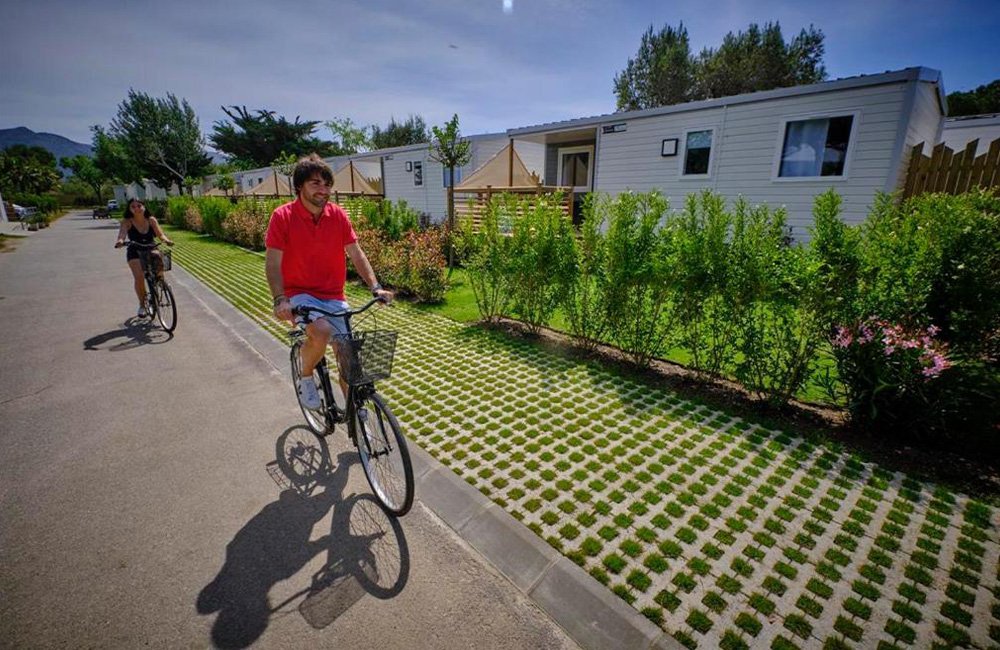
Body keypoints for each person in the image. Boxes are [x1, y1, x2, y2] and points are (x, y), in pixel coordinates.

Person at [265, 154, 392, 410]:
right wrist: (280, 299)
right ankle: (306, 375)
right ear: (300, 186)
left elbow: (356, 253)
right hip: (299, 293)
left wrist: (375, 286)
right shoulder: (282, 216)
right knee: (321, 332)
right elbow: (273, 263)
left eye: (327, 185)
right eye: (315, 184)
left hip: (334, 295)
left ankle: (356, 416)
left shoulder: (338, 215)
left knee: (348, 357)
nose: (323, 190)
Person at [114, 198, 174, 318]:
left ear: (144, 207)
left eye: (139, 206)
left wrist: (166, 240)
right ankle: (142, 305)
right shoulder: (127, 221)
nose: (137, 208)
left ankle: (161, 282)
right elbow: (122, 234)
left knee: (159, 258)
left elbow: (160, 234)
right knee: (139, 276)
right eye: (133, 207)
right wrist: (120, 241)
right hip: (134, 250)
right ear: (129, 209)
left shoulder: (151, 220)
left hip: (150, 247)